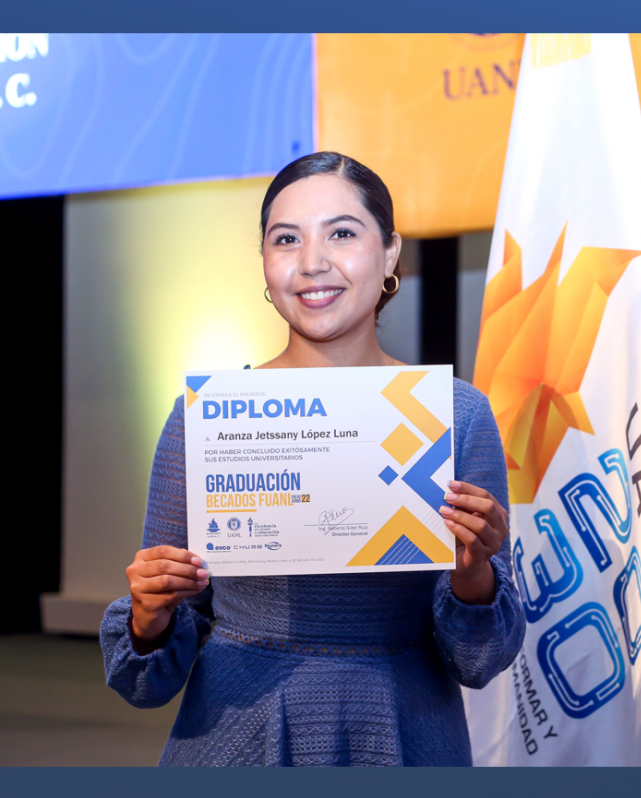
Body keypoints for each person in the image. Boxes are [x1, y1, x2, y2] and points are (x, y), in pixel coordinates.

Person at [99, 152, 525, 766]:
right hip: (235, 735)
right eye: (286, 239)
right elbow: (147, 681)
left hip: (401, 733)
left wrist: (473, 574)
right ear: (266, 265)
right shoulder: (205, 419)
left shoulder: (455, 416)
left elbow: (479, 659)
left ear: (388, 254)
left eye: (342, 234)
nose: (312, 262)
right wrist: (148, 613)